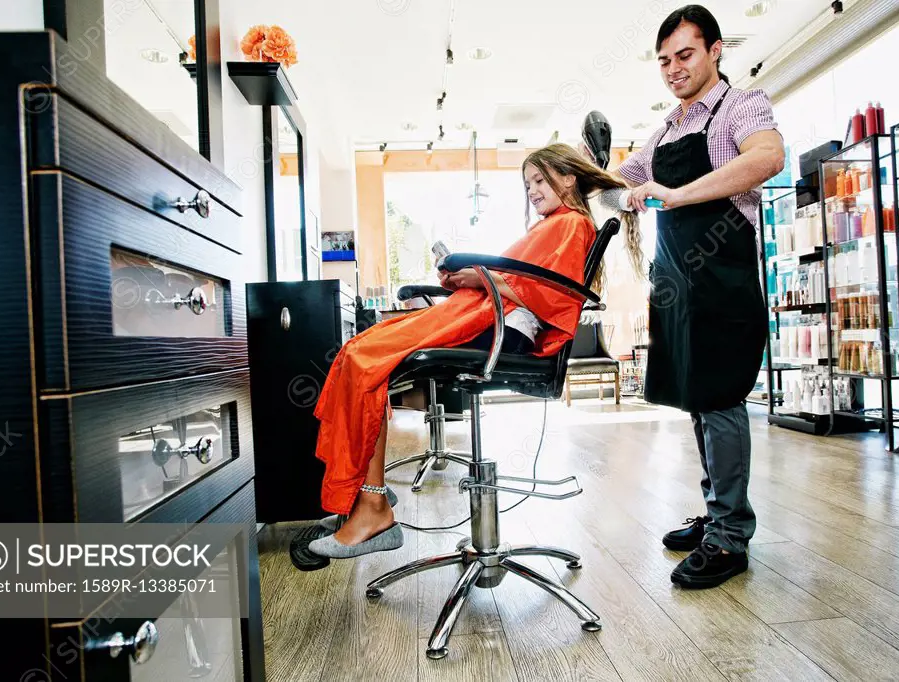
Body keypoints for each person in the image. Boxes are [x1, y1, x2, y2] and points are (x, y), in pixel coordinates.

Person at [308, 143, 640, 558]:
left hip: (504, 333)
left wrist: (478, 277)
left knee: (365, 357)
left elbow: (543, 291)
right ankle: (362, 494)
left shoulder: (570, 224)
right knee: (360, 350)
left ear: (569, 177)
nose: (532, 191)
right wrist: (469, 278)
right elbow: (519, 280)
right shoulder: (553, 224)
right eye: (528, 184)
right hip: (488, 320)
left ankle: (373, 506)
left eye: (539, 180)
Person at [616, 5, 784, 588]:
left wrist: (675, 195)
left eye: (684, 55)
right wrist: (587, 178)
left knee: (720, 397)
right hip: (679, 283)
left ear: (716, 50)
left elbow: (766, 158)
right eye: (663, 60)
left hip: (722, 277)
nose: (673, 68)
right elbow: (628, 178)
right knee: (696, 398)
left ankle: (732, 535)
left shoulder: (742, 105)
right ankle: (717, 513)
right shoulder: (665, 126)